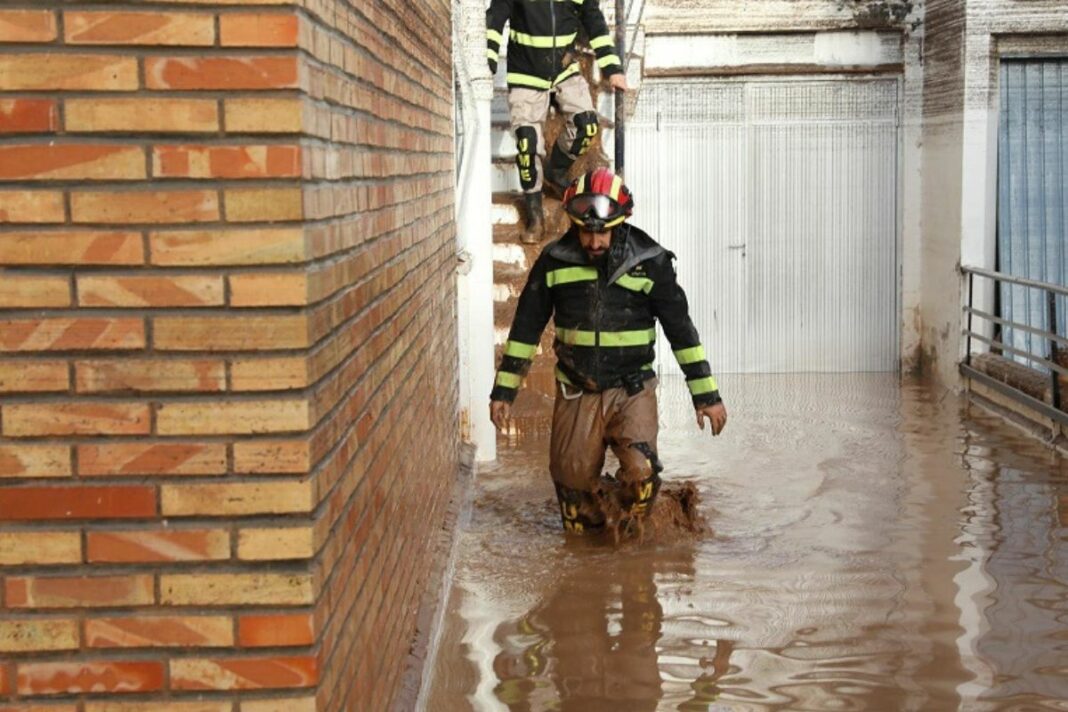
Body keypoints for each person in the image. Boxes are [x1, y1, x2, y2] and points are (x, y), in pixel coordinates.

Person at [489, 167, 727, 534]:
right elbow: (525, 329)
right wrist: (504, 391)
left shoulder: (650, 261)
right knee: (572, 494)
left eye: (602, 232)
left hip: (632, 388)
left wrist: (706, 396)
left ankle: (634, 549)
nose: (594, 242)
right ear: (574, 224)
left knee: (641, 474)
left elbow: (681, 331)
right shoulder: (554, 262)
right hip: (576, 388)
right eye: (586, 232)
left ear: (621, 223)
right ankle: (592, 543)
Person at [487, 0, 629, 244]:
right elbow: (495, 17)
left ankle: (556, 170)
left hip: (565, 68)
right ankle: (534, 213)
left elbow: (594, 20)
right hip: (525, 72)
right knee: (527, 143)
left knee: (587, 125)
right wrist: (487, 62)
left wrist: (612, 67)